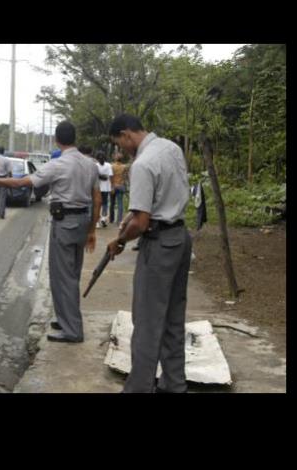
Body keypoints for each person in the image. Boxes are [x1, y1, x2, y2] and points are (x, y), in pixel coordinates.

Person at [0, 121, 100, 343]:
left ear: (57, 140)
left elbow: (21, 182)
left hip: (65, 223)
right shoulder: (90, 165)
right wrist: (92, 229)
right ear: (75, 138)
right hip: (82, 221)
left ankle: (72, 330)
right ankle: (66, 319)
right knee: (73, 275)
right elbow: (97, 199)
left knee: (62, 277)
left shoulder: (58, 164)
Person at [105, 114, 191, 393]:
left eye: (119, 143)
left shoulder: (142, 164)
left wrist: (120, 239)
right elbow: (156, 201)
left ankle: (139, 388)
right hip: (179, 237)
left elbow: (141, 223)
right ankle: (174, 385)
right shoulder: (170, 148)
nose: (121, 150)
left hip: (159, 244)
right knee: (173, 319)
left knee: (146, 323)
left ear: (126, 134)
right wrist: (131, 216)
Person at [110, 152, 128, 226]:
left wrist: (111, 186)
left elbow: (110, 177)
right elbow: (125, 177)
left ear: (115, 158)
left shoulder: (112, 166)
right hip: (121, 186)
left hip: (113, 185)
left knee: (112, 203)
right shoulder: (124, 167)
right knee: (120, 203)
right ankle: (119, 220)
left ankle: (111, 219)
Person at [96, 152, 113, 228]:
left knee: (98, 204)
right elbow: (110, 176)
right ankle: (103, 218)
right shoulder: (108, 165)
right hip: (106, 187)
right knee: (105, 203)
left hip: (98, 187)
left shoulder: (96, 165)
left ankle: (97, 221)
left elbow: (95, 176)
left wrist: (100, 176)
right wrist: (112, 186)